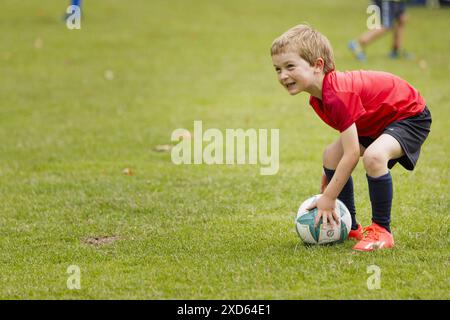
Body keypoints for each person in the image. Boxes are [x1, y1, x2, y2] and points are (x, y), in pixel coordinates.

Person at [271, 24, 431, 251]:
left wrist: (328, 197)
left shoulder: (336, 96)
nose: (283, 75)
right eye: (277, 69)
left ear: (318, 65)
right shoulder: (318, 99)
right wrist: (332, 175)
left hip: (410, 115)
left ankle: (381, 231)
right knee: (330, 156)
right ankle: (350, 226)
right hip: (377, 120)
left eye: (290, 66)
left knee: (374, 157)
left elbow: (353, 153)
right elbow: (347, 147)